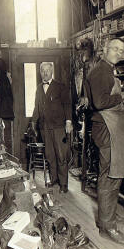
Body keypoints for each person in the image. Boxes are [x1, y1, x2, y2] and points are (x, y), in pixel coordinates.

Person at [84, 38, 124, 246]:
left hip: (109, 129)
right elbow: (100, 102)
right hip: (107, 130)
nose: (119, 53)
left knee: (111, 177)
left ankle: (106, 222)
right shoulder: (100, 71)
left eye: (121, 50)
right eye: (114, 49)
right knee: (109, 177)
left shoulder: (106, 71)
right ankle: (108, 227)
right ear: (104, 50)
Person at [31, 62, 73, 193]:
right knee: (50, 156)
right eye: (42, 70)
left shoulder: (61, 87)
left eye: (47, 70)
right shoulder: (39, 88)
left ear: (52, 71)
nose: (45, 73)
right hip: (44, 127)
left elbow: (67, 105)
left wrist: (68, 122)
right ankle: (54, 179)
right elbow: (37, 107)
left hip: (59, 127)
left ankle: (64, 184)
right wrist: (33, 123)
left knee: (61, 156)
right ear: (40, 72)